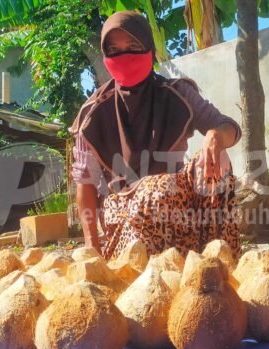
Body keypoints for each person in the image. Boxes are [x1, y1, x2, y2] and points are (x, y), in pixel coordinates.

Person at [71, 11, 242, 260]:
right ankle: (149, 267)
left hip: (177, 208)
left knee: (218, 165)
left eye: (133, 46)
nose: (125, 56)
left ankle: (218, 267)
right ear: (106, 54)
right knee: (155, 192)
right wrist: (92, 248)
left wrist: (216, 136)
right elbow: (85, 183)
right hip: (125, 215)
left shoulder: (177, 94)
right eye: (115, 50)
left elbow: (229, 127)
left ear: (149, 48)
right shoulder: (92, 114)